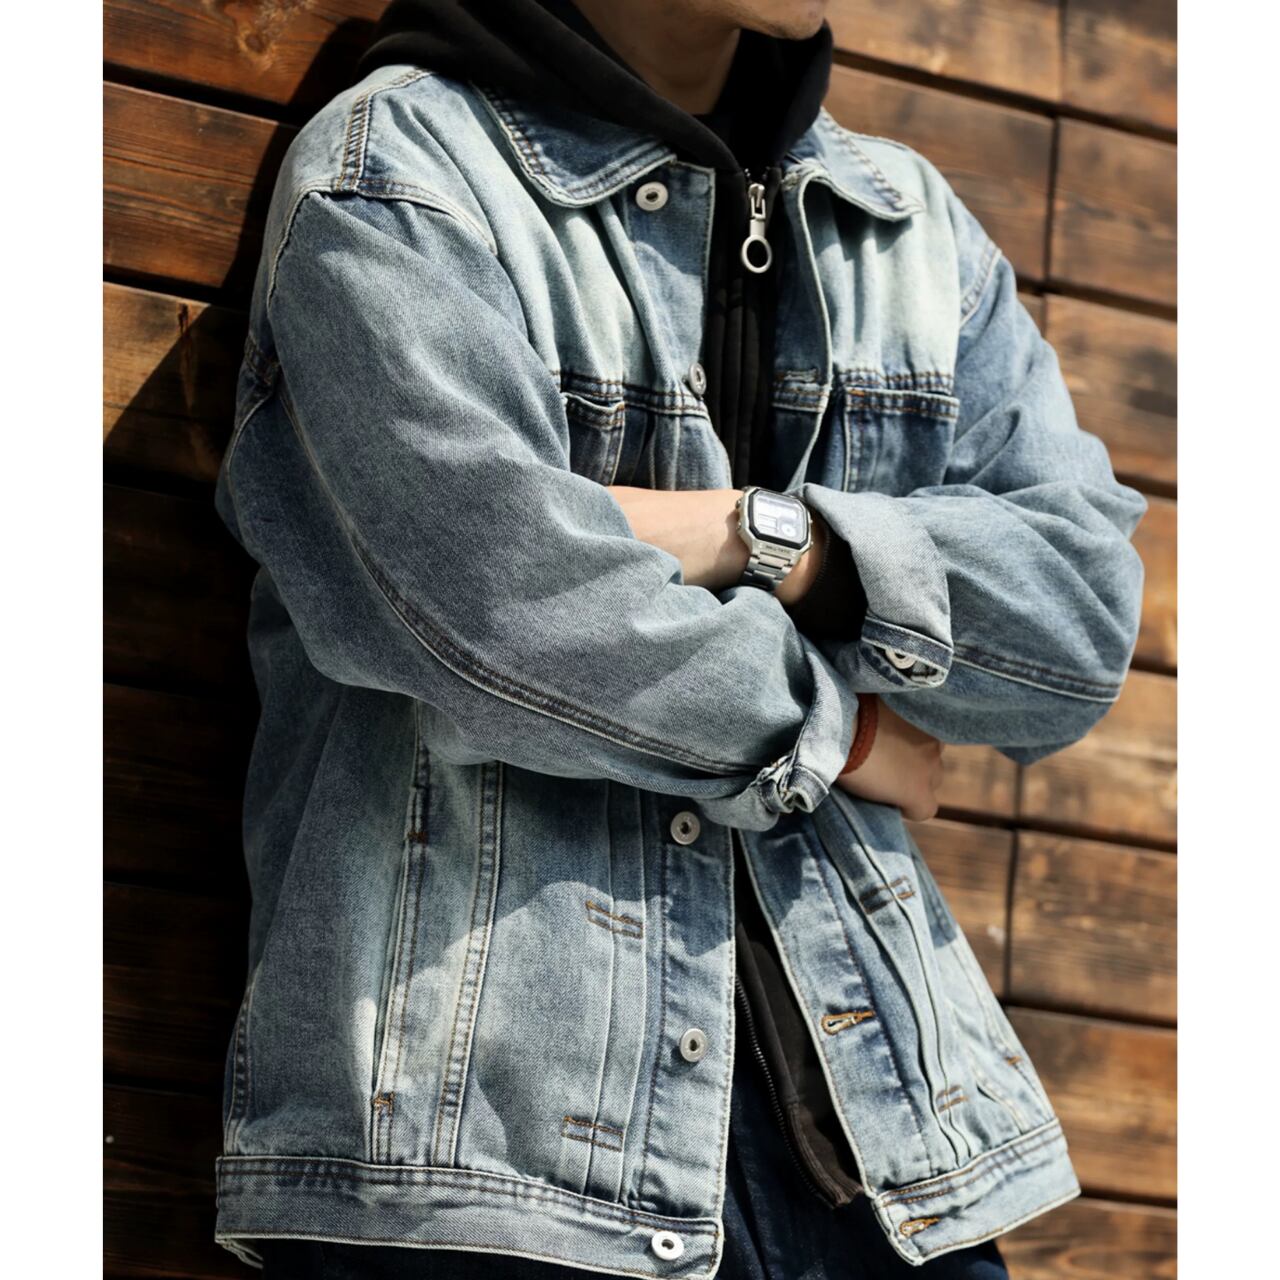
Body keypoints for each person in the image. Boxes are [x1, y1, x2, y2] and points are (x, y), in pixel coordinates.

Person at [210, 1, 1146, 1276]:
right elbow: (502, 612)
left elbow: (1077, 624)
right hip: (492, 1157)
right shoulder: (402, 174)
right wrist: (842, 729)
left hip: (878, 1156)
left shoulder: (908, 233)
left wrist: (766, 535)